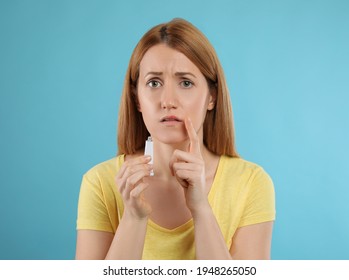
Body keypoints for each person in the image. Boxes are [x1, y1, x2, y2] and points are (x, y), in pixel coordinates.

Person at [75, 18, 275, 260]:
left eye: (186, 83)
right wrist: (134, 217)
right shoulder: (99, 183)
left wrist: (201, 208)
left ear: (212, 97)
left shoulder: (251, 183)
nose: (168, 100)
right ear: (137, 98)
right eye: (154, 83)